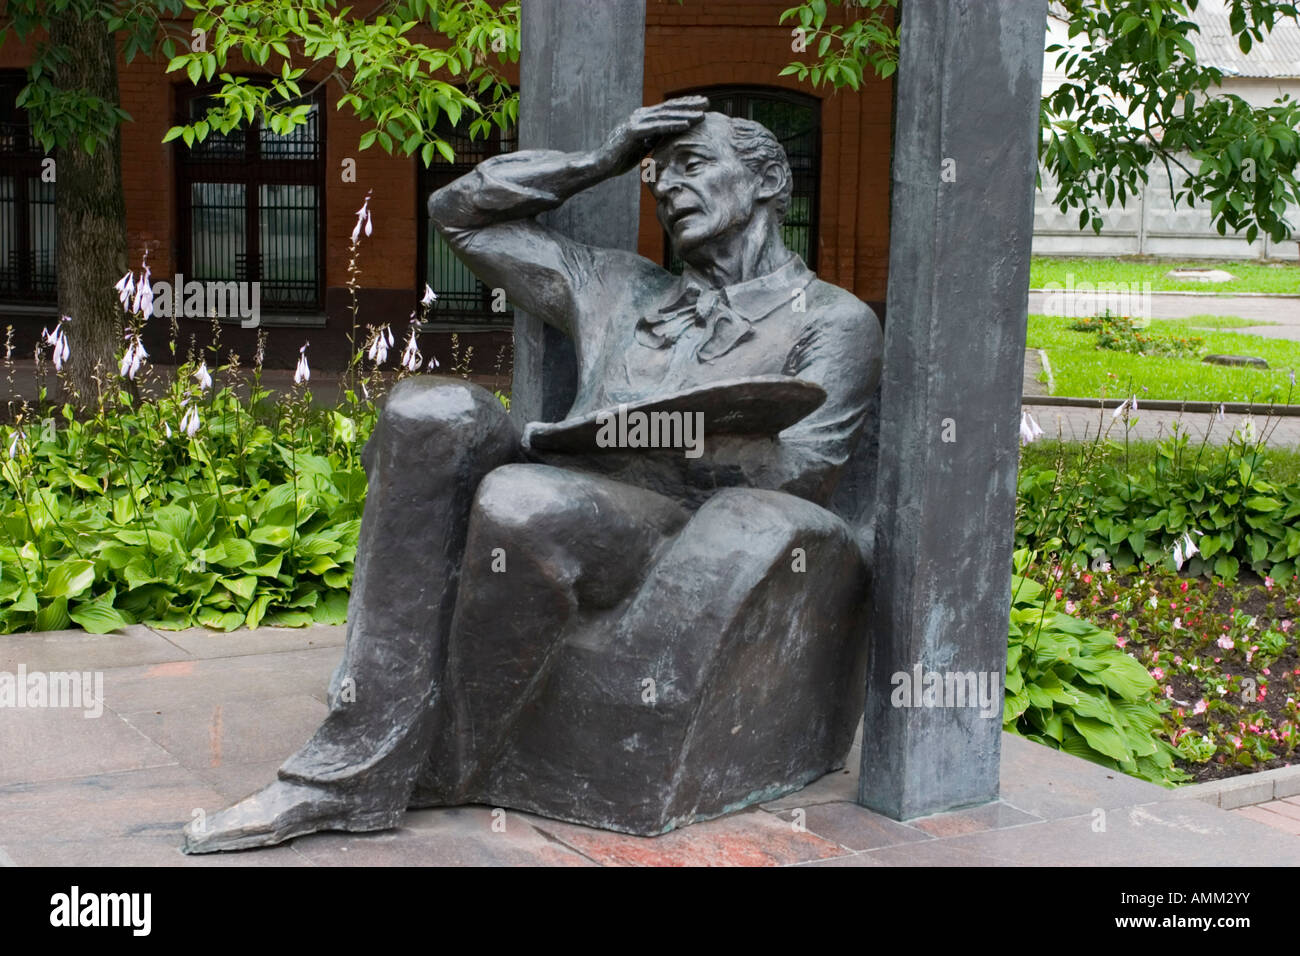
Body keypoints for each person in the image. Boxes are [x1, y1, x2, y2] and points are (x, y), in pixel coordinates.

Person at [182, 97, 882, 853]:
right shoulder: (618, 284)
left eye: (694, 166)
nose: (668, 188)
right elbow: (460, 217)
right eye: (657, 175)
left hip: (678, 529)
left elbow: (802, 475)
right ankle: (354, 753)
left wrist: (669, 438)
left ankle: (435, 763)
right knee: (430, 410)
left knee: (523, 501)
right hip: (566, 483)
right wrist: (595, 162)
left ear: (768, 177)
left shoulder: (831, 320)